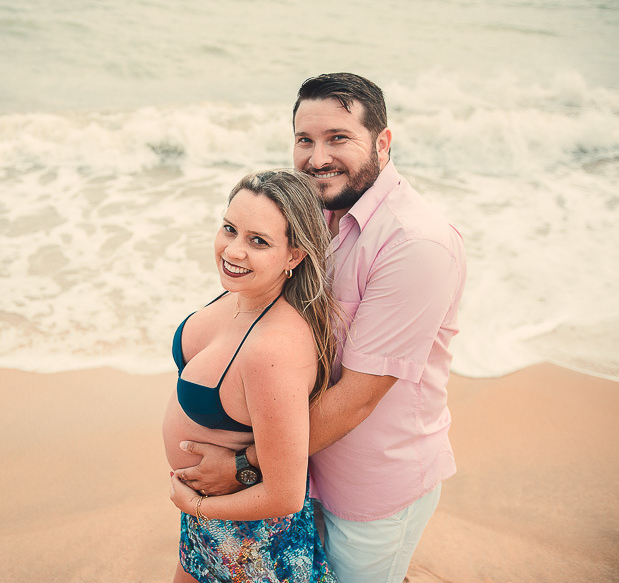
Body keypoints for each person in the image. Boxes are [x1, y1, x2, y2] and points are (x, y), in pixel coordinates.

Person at [173, 73, 468, 583]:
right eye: (304, 140)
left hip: (369, 491)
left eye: (338, 138)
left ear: (382, 142)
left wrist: (245, 467)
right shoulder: (318, 213)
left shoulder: (415, 245)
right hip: (306, 475)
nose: (316, 157)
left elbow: (356, 396)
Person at [163, 169, 341, 582]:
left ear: (294, 256)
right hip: (210, 524)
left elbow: (284, 494)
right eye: (230, 229)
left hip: (255, 547)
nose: (234, 251)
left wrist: (198, 507)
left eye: (258, 241)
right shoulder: (238, 294)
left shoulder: (274, 348)